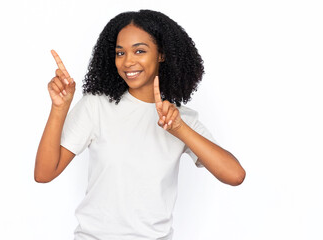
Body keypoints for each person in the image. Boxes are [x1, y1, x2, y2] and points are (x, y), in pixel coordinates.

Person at [35, 9, 245, 240]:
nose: (128, 61)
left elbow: (235, 175)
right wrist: (59, 108)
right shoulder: (96, 106)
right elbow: (44, 173)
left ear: (161, 54)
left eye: (139, 51)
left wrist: (180, 129)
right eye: (120, 52)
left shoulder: (179, 118)